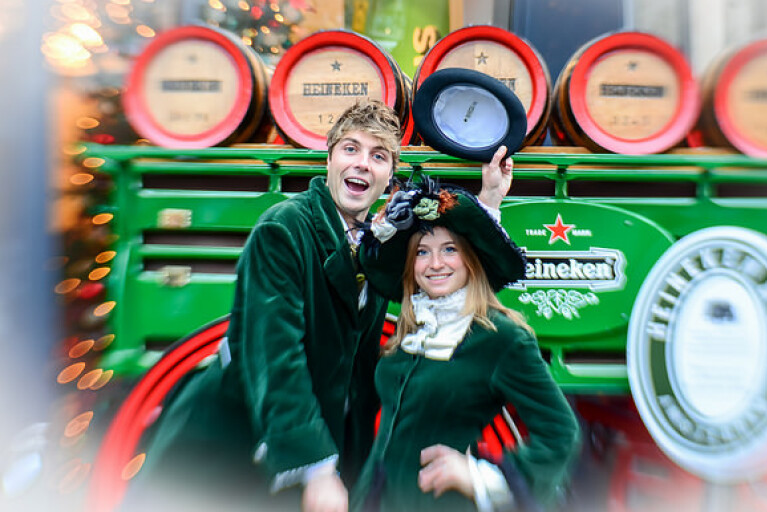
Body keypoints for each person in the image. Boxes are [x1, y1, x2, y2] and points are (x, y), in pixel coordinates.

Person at [123, 99, 516, 512]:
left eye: (378, 156)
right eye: (351, 149)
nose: (362, 163)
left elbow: (450, 290)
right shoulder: (283, 229)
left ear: (389, 177)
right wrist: (315, 467)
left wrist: (489, 199)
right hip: (229, 452)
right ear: (329, 159)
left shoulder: (379, 245)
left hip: (325, 445)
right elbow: (276, 356)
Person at [351, 178, 581, 511]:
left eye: (449, 249)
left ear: (470, 258)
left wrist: (479, 477)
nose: (435, 264)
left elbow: (561, 432)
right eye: (422, 252)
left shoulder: (501, 337)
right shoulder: (413, 327)